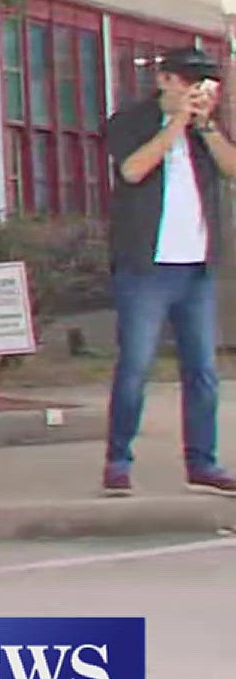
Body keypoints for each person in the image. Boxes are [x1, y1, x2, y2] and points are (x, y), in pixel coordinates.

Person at [102, 47, 236, 497]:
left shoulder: (205, 129)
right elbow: (133, 170)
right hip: (146, 266)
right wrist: (175, 124)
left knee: (201, 369)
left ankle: (203, 461)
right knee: (136, 365)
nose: (193, 90)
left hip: (195, 266)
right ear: (164, 80)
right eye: (185, 80)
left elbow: (232, 169)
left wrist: (206, 126)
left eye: (201, 82)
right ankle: (118, 460)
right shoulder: (131, 121)